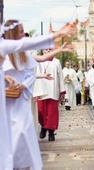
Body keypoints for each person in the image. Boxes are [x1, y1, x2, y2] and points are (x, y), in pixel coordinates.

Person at [1, 19, 77, 170]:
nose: (24, 35)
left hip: (20, 99)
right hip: (6, 100)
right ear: (13, 33)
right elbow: (31, 44)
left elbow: (40, 58)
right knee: (9, 134)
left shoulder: (22, 54)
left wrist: (59, 49)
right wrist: (58, 33)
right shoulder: (5, 46)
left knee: (23, 132)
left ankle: (20, 163)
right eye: (21, 32)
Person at [35, 48, 67, 142]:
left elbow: (60, 77)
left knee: (52, 113)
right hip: (40, 90)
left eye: (50, 49)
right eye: (46, 49)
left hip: (52, 90)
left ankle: (51, 133)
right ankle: (43, 127)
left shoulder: (56, 62)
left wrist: (62, 91)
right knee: (41, 111)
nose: (48, 51)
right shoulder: (38, 61)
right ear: (42, 51)